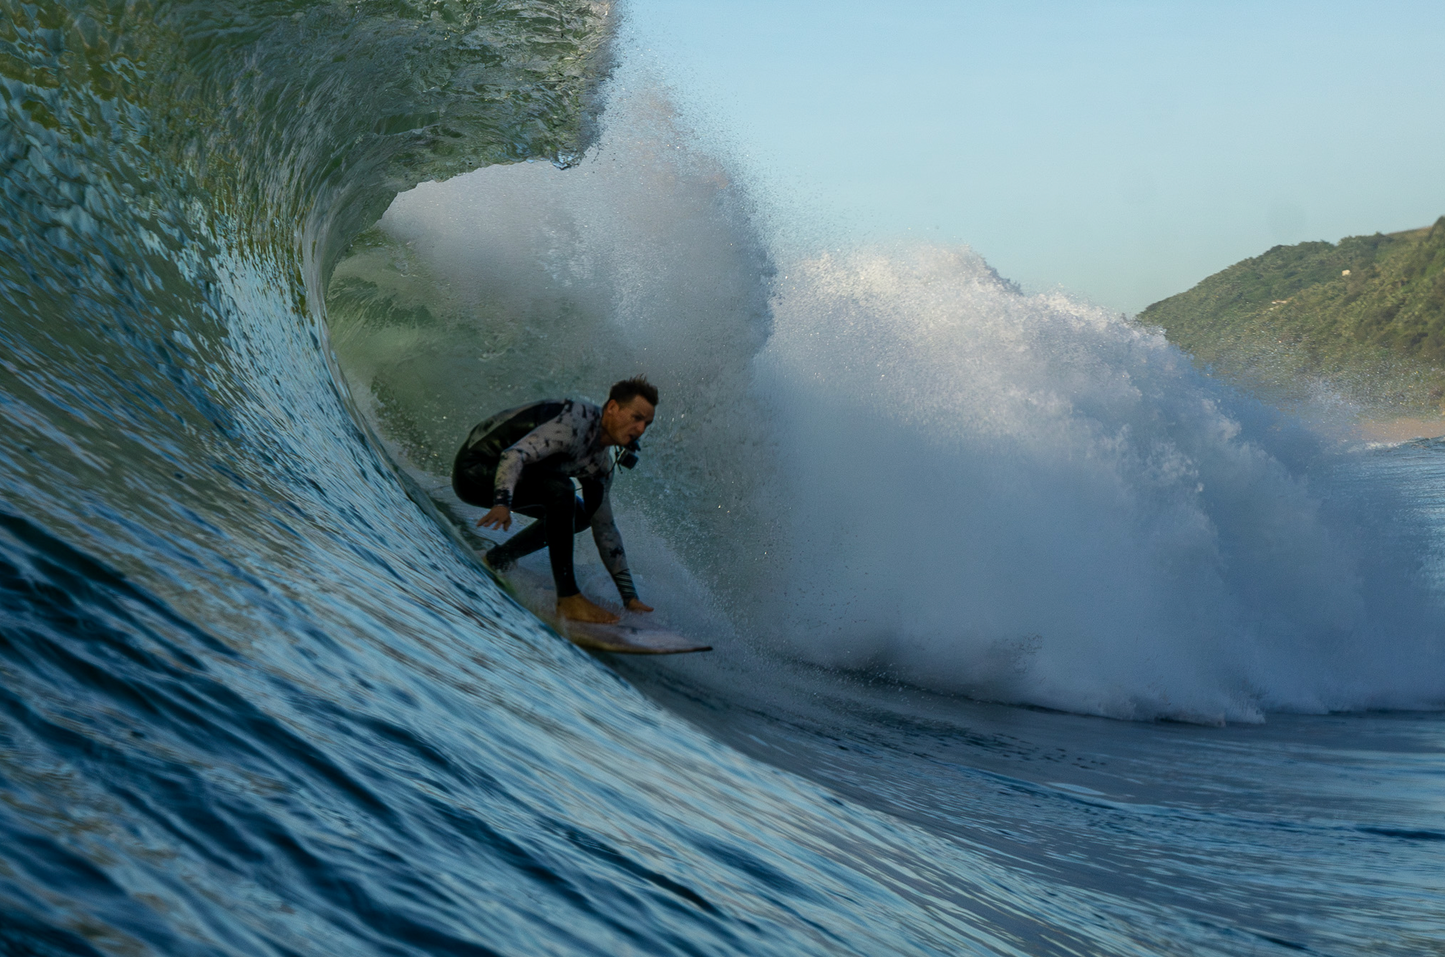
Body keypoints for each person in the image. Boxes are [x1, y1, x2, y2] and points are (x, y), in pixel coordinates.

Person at [452, 376, 658, 624]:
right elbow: (513, 455)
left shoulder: (600, 463)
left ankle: (498, 559)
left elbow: (605, 527)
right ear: (613, 408)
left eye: (647, 423)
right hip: (474, 471)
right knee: (562, 490)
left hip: (504, 481)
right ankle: (569, 598)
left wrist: (629, 596)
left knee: (581, 516)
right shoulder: (574, 422)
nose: (641, 430)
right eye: (636, 418)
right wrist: (502, 503)